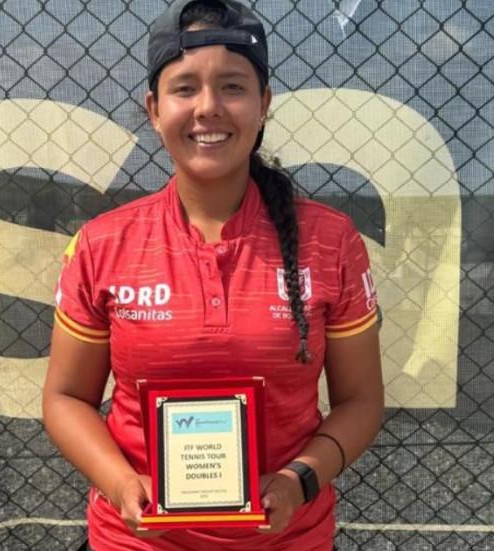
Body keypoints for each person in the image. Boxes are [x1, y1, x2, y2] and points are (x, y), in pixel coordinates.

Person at [42, 1, 384, 549]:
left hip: (289, 540)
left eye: (232, 87)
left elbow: (361, 401)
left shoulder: (331, 240)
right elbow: (65, 397)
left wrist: (300, 480)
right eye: (184, 89)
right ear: (154, 109)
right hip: (136, 542)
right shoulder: (103, 244)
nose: (208, 108)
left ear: (263, 103)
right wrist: (120, 482)